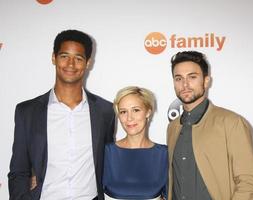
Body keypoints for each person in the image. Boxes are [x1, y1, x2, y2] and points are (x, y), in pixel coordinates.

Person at [8, 29, 115, 200]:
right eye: (64, 56)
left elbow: (109, 163)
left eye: (78, 58)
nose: (71, 64)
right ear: (53, 58)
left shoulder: (105, 111)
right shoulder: (27, 112)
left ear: (88, 63)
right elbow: (18, 172)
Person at [167, 51, 253, 200]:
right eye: (178, 78)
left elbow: (249, 183)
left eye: (192, 77)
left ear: (206, 81)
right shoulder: (173, 127)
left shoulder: (232, 123)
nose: (185, 84)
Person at [102, 86, 168, 200]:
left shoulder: (164, 154)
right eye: (123, 112)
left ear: (148, 112)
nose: (129, 118)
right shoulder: (106, 152)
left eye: (136, 110)